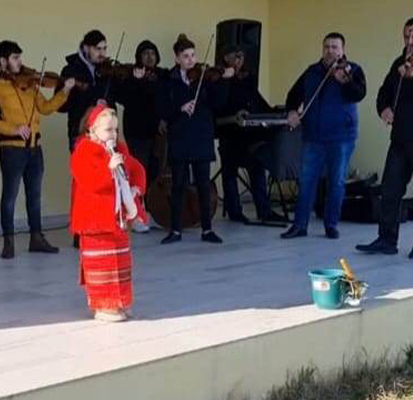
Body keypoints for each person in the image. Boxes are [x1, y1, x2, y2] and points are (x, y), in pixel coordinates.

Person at [356, 17, 413, 259]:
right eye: (406, 36)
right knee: (390, 188)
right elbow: (384, 92)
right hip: (400, 136)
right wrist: (384, 109)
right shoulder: (400, 62)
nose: (410, 41)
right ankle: (387, 239)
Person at [0, 40, 76, 258]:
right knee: (10, 196)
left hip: (35, 148)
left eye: (19, 57)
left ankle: (36, 238)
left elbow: (45, 108)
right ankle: (8, 242)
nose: (20, 62)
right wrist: (13, 129)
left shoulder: (29, 84)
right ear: (3, 60)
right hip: (11, 149)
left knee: (35, 195)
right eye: (15, 58)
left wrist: (64, 91)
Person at [281, 32, 367, 240]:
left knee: (336, 182)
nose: (330, 51)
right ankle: (299, 225)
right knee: (307, 181)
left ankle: (331, 224)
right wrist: (292, 111)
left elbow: (359, 94)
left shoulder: (353, 70)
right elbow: (293, 95)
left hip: (341, 136)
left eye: (335, 47)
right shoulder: (312, 71)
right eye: (327, 47)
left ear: (343, 50)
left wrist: (345, 81)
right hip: (313, 136)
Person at [70, 106, 146, 322]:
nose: (113, 134)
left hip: (116, 220)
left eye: (115, 129)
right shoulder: (83, 151)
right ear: (92, 131)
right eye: (108, 130)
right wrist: (108, 169)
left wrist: (136, 189)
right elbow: (89, 182)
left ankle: (121, 302)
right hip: (95, 222)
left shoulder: (119, 150)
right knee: (103, 266)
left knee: (120, 263)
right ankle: (104, 306)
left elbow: (137, 169)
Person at [156, 34, 226, 245]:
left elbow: (218, 103)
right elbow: (161, 109)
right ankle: (176, 229)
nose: (191, 60)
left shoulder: (204, 78)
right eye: (186, 56)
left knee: (203, 184)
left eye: (193, 55)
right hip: (179, 138)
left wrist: (219, 81)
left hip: (201, 136)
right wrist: (180, 108)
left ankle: (207, 229)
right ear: (177, 58)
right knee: (178, 185)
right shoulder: (168, 80)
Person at [213, 46, 287, 224]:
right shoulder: (220, 80)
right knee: (229, 173)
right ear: (226, 58)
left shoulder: (248, 80)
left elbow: (258, 103)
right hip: (229, 134)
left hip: (249, 135)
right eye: (235, 56)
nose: (239, 60)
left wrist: (278, 113)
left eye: (241, 57)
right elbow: (216, 107)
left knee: (257, 168)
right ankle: (234, 211)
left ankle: (264, 211)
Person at [116, 39, 166, 233]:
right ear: (138, 57)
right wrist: (136, 80)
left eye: (152, 53)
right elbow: (124, 99)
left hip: (157, 133)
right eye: (145, 53)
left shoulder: (161, 76)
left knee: (155, 173)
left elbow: (164, 99)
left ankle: (151, 213)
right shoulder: (131, 76)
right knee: (138, 174)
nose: (149, 57)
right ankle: (136, 216)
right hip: (137, 132)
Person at [57, 30, 114, 153]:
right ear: (86, 48)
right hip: (81, 131)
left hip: (105, 132)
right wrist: (92, 100)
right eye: (98, 49)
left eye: (104, 48)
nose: (102, 54)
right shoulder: (70, 70)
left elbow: (118, 96)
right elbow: (61, 107)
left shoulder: (107, 70)